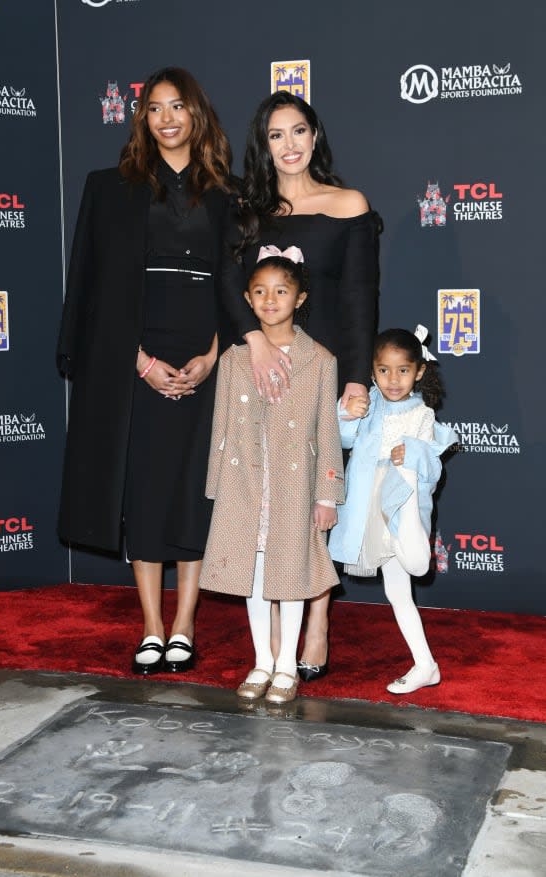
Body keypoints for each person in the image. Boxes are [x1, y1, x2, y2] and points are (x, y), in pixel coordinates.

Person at [57, 67, 237, 675]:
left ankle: (185, 623)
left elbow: (236, 289)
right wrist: (137, 361)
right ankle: (152, 628)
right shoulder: (109, 188)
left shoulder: (227, 194)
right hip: (134, 357)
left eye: (178, 106)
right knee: (144, 490)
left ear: (197, 115)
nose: (166, 118)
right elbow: (92, 287)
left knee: (192, 490)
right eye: (155, 108)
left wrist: (214, 355)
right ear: (142, 119)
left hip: (204, 355)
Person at [222, 91, 380, 681]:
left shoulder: (349, 204)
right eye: (275, 136)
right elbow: (230, 291)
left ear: (315, 136)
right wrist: (256, 345)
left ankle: (317, 620)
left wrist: (357, 379)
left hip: (326, 374)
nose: (288, 146)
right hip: (262, 377)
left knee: (318, 500)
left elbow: (362, 299)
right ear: (263, 146)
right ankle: (273, 634)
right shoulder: (247, 212)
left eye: (297, 132)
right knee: (270, 503)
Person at [200, 248, 344, 704]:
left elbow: (328, 430)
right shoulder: (233, 359)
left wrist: (327, 495)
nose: (270, 300)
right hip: (245, 489)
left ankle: (287, 667)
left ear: (299, 298)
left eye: (281, 291)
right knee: (255, 577)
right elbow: (220, 428)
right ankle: (262, 660)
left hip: (294, 489)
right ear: (246, 298)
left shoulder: (320, 360)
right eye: (259, 292)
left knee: (291, 575)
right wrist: (216, 487)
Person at [328, 326, 457, 694]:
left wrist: (414, 454)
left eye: (402, 370)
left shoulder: (423, 415)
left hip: (401, 508)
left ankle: (425, 664)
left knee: (409, 572)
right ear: (372, 371)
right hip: (369, 506)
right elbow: (344, 441)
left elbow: (432, 471)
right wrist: (346, 414)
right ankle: (425, 665)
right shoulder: (369, 401)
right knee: (397, 591)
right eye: (384, 370)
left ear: (418, 371)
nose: (393, 379)